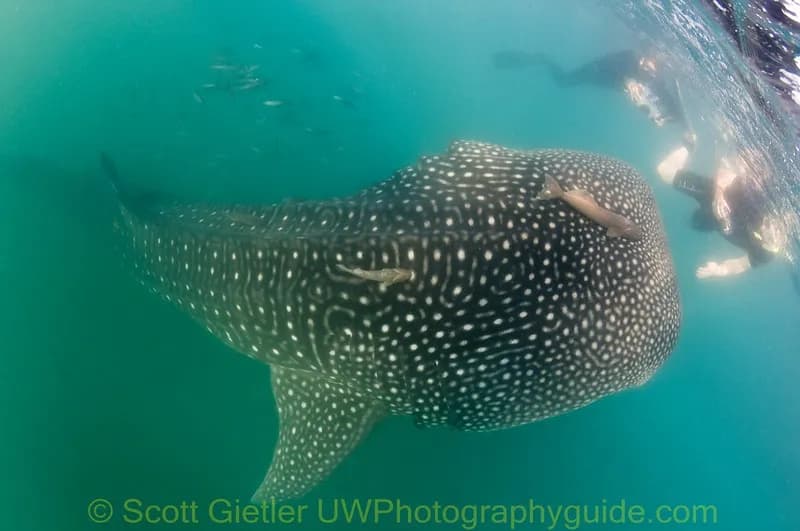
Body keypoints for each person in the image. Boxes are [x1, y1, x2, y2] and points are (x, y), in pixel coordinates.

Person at [672, 150, 789, 278]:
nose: (763, 225)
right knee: (669, 174)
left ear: (768, 243)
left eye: (765, 232)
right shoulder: (761, 200)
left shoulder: (765, 254)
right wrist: (719, 194)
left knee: (695, 222)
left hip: (717, 223)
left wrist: (718, 270)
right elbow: (729, 168)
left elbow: (740, 265)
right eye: (767, 223)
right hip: (716, 194)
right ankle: (687, 147)